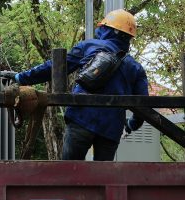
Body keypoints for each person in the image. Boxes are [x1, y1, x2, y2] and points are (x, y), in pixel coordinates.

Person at [13, 9, 148, 161]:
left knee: (70, 171)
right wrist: (131, 125)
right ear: (129, 37)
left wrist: (21, 77)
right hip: (111, 129)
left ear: (108, 29)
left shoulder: (89, 46)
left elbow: (55, 67)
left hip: (81, 119)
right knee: (103, 179)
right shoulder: (135, 67)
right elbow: (143, 105)